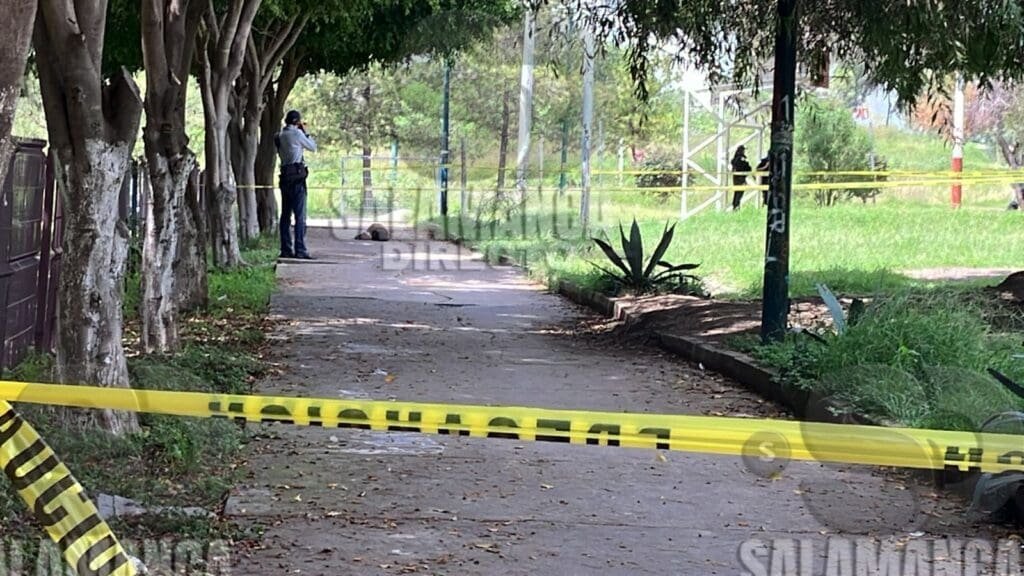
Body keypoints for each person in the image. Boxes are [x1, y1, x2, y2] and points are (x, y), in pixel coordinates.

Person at [276, 109, 317, 259]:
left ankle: (286, 248)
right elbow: (313, 147)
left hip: (285, 176)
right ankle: (300, 249)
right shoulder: (298, 134)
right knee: (300, 216)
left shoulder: (279, 136)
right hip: (297, 178)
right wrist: (306, 132)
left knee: (285, 215)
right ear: (297, 122)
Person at [730, 145, 752, 210]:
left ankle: (735, 205)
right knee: (739, 193)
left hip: (736, 179)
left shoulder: (735, 159)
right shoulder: (742, 158)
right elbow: (746, 167)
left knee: (737, 192)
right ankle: (736, 206)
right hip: (741, 178)